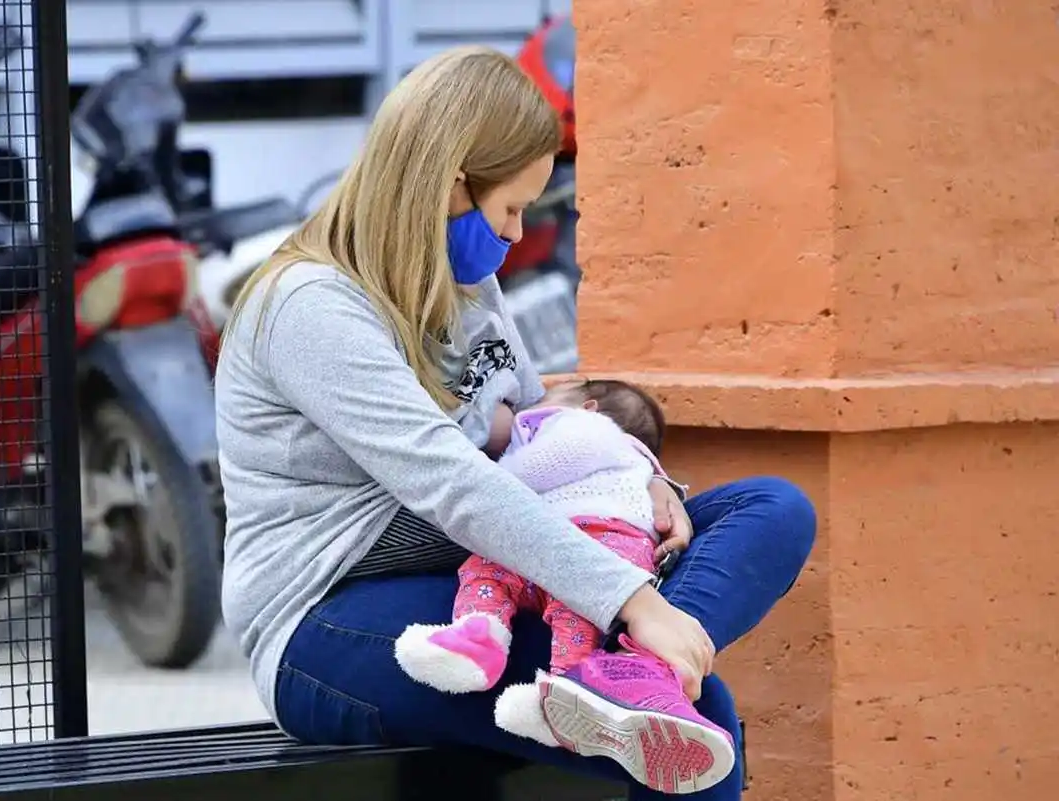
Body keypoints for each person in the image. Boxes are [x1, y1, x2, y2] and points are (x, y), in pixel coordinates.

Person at [215, 45, 816, 801]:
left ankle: (629, 676)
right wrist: (635, 601)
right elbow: (452, 482)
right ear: (450, 184)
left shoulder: (466, 286)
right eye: (510, 207)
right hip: (327, 621)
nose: (515, 231)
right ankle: (634, 674)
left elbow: (536, 427)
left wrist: (645, 479)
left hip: (483, 577)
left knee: (769, 507)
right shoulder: (311, 306)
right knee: (700, 719)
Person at [393, 379, 736, 794]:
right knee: (505, 579)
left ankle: (586, 678)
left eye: (549, 397)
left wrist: (495, 478)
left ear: (588, 407)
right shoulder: (627, 458)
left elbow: (532, 472)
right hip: (557, 539)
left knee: (553, 597)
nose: (533, 401)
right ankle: (557, 678)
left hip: (597, 536)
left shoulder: (580, 428)